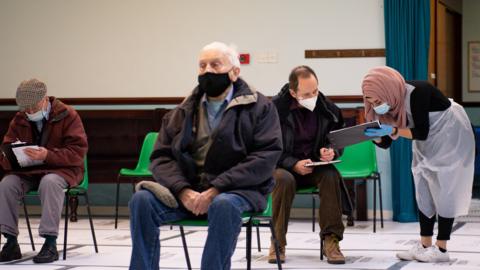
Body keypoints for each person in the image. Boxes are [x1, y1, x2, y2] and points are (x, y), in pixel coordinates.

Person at [128, 42, 283, 270]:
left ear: (235, 72)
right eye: (202, 66)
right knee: (141, 201)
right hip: (188, 193)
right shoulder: (182, 111)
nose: (207, 71)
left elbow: (265, 156)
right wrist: (182, 190)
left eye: (215, 64)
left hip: (237, 192)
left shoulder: (260, 107)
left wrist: (216, 188)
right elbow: (160, 157)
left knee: (223, 204)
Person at [361, 66, 475, 263]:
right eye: (371, 102)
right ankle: (424, 245)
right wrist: (377, 137)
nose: (376, 106)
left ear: (388, 90)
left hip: (449, 133)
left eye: (378, 101)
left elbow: (420, 131)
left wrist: (393, 130)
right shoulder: (386, 104)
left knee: (446, 188)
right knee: (423, 187)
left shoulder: (417, 92)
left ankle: (441, 248)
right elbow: (387, 143)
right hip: (425, 141)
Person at [269, 65, 353, 265]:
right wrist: (293, 164)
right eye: (307, 93)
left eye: (315, 91)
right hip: (283, 167)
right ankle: (277, 241)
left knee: (331, 175)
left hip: (314, 166)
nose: (313, 96)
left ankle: (331, 240)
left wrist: (330, 151)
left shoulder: (328, 109)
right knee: (284, 179)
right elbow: (268, 149)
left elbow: (336, 140)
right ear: (293, 92)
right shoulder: (273, 111)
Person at [0, 79, 88, 263]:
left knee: (50, 183)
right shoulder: (19, 118)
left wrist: (47, 155)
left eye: (33, 107)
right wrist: (12, 157)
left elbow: (77, 153)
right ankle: (10, 242)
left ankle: (50, 242)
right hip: (29, 171)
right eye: (26, 109)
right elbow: (6, 150)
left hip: (62, 170)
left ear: (45, 98)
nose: (30, 112)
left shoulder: (68, 115)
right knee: (7, 184)